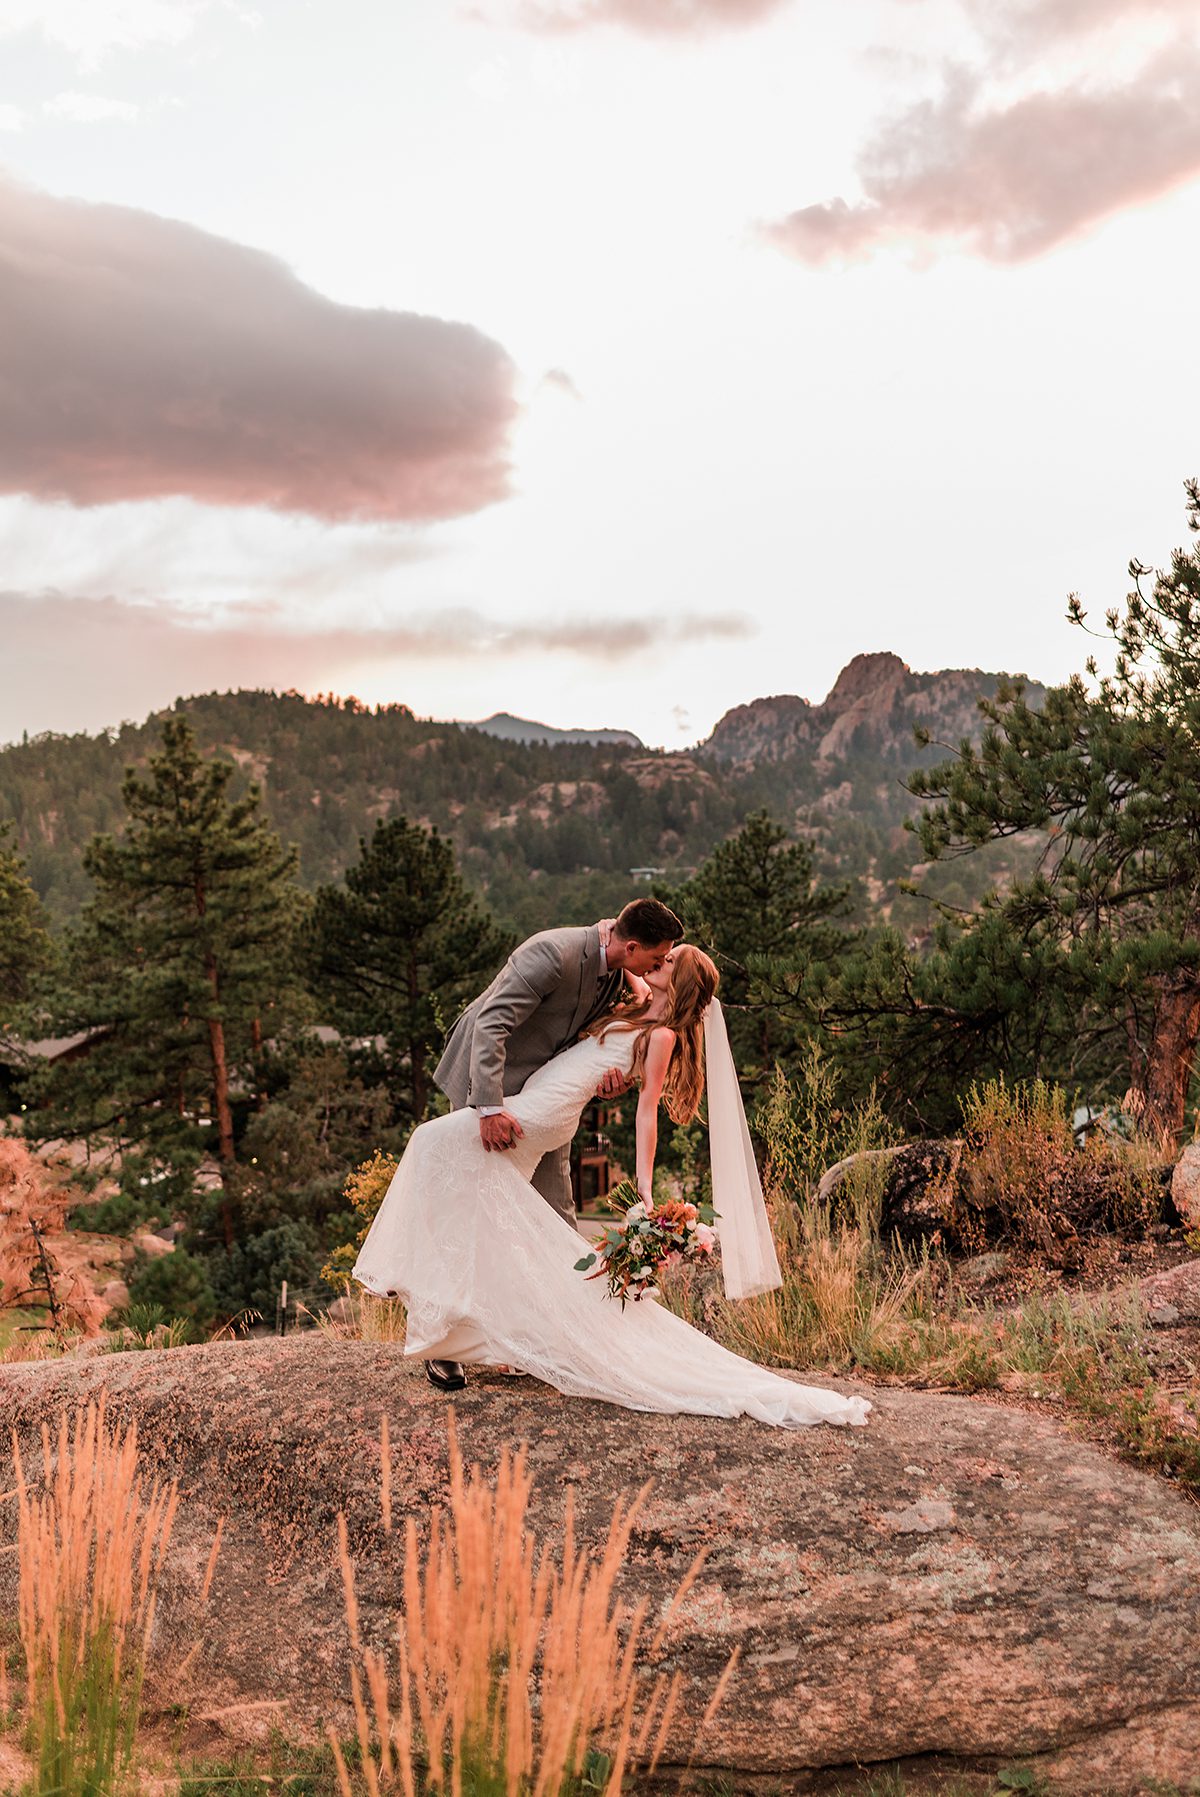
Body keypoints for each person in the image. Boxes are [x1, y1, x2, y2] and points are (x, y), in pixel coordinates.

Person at [353, 945, 871, 1430]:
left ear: (680, 980)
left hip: (539, 1114)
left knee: (427, 1143)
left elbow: (649, 1114)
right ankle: (465, 1328)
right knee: (483, 1217)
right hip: (544, 1102)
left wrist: (643, 1189)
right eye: (659, 954)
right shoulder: (640, 1004)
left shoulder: (662, 1036)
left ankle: (395, 1277)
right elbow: (616, 946)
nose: (657, 961)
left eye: (668, 960)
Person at [429, 897, 683, 1388]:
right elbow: (490, 1024)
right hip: (489, 1090)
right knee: (471, 1210)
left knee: (555, 1212)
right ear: (632, 947)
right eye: (656, 959)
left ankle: (548, 1337)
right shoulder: (552, 953)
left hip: (546, 1105)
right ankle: (445, 1342)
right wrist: (487, 1108)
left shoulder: (620, 972)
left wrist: (615, 1078)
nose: (657, 966)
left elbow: (608, 1039)